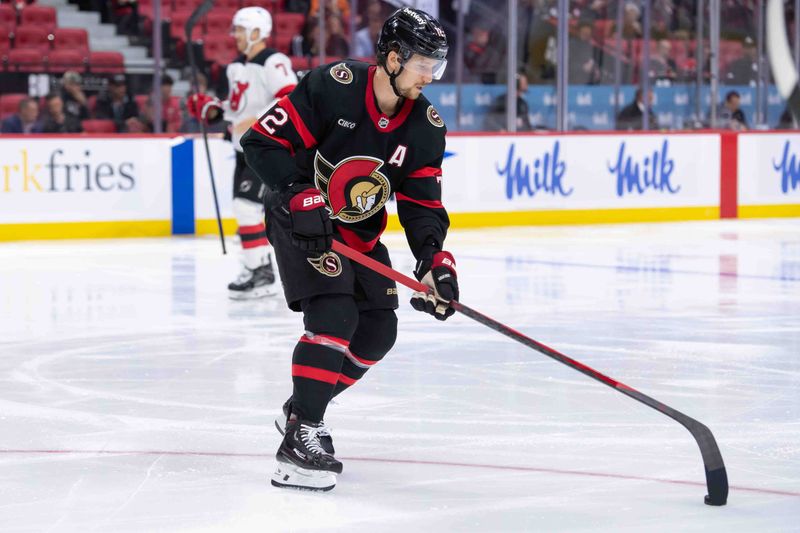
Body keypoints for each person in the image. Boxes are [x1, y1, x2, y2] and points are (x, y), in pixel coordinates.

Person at [241, 7, 458, 492]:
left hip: (359, 234)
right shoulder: (331, 86)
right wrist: (300, 194)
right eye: (424, 64)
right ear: (394, 57)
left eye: (436, 67)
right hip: (303, 220)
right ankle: (301, 440)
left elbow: (423, 205)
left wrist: (433, 262)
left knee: (378, 331)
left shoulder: (426, 125)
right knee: (334, 315)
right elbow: (260, 143)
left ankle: (303, 410)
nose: (430, 77)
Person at [188, 7, 298, 299]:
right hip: (244, 148)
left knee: (247, 207)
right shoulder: (236, 66)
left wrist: (258, 120)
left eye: (239, 29)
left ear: (256, 32)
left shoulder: (274, 62)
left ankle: (261, 271)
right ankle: (257, 268)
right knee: (244, 207)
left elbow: (290, 98)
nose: (234, 35)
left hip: (267, 148)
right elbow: (238, 109)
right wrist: (214, 109)